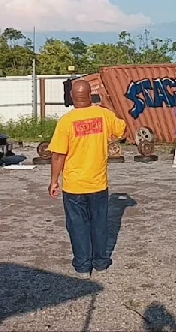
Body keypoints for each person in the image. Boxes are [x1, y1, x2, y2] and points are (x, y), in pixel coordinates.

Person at [47, 80, 127, 278]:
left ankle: (83, 266)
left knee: (77, 224)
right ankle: (100, 262)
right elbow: (122, 131)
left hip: (74, 185)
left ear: (73, 97)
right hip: (98, 183)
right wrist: (107, 103)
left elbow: (58, 154)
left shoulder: (66, 121)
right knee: (99, 222)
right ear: (90, 96)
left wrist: (54, 180)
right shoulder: (103, 115)